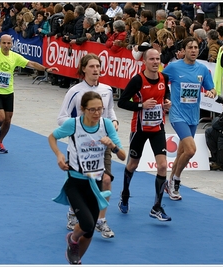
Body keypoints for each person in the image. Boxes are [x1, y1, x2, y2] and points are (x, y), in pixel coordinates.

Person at [49, 91, 125, 265]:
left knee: (89, 232)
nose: (97, 113)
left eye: (100, 109)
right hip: (75, 183)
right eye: (92, 110)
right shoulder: (73, 125)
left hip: (95, 184)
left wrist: (112, 146)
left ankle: (75, 260)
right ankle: (73, 238)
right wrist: (59, 155)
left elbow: (122, 155)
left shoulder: (106, 125)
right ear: (82, 109)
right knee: (87, 224)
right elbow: (52, 137)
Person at [0, 21, 59, 154]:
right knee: (0, 117)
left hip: (8, 91)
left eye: (9, 43)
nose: (6, 45)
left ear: (12, 44)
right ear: (0, 43)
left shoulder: (15, 57)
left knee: (8, 120)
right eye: (4, 43)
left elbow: (31, 63)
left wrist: (46, 69)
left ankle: (0, 142)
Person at [57, 53, 119, 239]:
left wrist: (114, 122)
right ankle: (72, 210)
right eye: (91, 66)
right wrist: (80, 128)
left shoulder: (107, 89)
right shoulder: (75, 91)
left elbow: (110, 111)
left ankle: (101, 221)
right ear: (83, 69)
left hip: (102, 145)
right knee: (82, 184)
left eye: (98, 66)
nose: (96, 70)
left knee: (106, 180)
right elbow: (61, 117)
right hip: (80, 147)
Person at [117, 48, 172, 220]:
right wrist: (141, 105)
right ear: (144, 62)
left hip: (157, 128)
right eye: (152, 59)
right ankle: (125, 194)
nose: (156, 62)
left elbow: (165, 95)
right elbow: (122, 102)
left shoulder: (164, 78)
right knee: (132, 165)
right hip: (139, 129)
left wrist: (167, 103)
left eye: (158, 59)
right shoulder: (137, 80)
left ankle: (156, 207)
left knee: (162, 166)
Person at [161, 36, 217, 201]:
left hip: (193, 116)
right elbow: (160, 82)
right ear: (183, 50)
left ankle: (169, 182)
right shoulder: (174, 67)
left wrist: (210, 92)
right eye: (190, 47)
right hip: (178, 115)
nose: (193, 50)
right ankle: (176, 180)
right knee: (191, 150)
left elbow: (211, 88)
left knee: (182, 152)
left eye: (195, 47)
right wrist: (166, 98)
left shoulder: (202, 69)